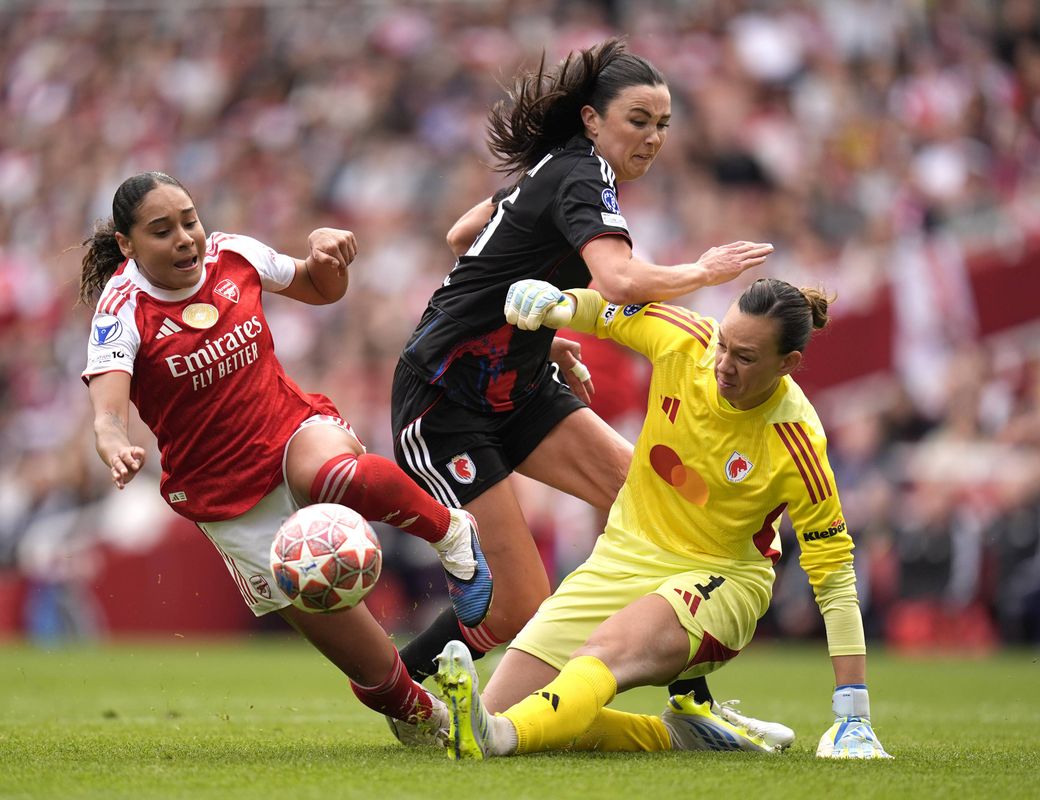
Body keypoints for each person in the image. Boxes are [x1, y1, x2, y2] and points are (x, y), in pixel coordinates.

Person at [391, 36, 777, 733]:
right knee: (516, 606)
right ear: (593, 120)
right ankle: (398, 690)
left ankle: (691, 705)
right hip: (445, 399)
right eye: (639, 119)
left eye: (663, 123)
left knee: (660, 506)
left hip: (520, 385)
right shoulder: (581, 173)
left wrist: (541, 335)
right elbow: (622, 282)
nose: (654, 136)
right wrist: (706, 270)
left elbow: (463, 237)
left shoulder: (558, 169)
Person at [79, 171, 493, 733]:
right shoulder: (122, 308)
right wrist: (113, 442)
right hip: (228, 500)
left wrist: (326, 258)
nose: (184, 238)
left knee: (332, 475)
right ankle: (428, 717)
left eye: (189, 220)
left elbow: (321, 289)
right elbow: (108, 410)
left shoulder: (235, 256)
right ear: (127, 245)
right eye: (161, 231)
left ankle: (450, 533)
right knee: (375, 678)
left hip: (291, 430)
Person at [434, 277, 893, 761]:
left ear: (788, 364)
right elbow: (604, 312)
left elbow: (835, 577)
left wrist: (853, 713)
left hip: (722, 578)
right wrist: (559, 303)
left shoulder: (797, 442)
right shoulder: (684, 339)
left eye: (746, 357)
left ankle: (499, 737)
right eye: (724, 343)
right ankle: (677, 734)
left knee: (601, 655)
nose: (723, 365)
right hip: (624, 554)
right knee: (507, 704)